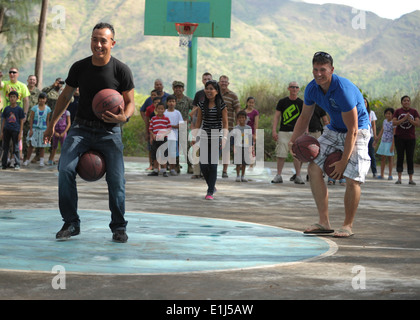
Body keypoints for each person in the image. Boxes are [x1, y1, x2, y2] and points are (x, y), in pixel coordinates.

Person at [43, 22, 135, 243]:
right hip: (81, 129)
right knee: (65, 169)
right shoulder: (79, 67)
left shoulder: (121, 70)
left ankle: (119, 227)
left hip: (109, 131)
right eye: (95, 39)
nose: (98, 44)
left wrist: (124, 117)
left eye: (103, 40)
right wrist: (51, 124)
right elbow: (65, 96)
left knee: (116, 180)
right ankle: (71, 223)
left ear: (112, 43)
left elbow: (130, 102)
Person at [289, 51, 371, 238]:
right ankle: (323, 222)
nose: (318, 74)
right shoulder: (311, 89)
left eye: (323, 70)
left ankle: (347, 225)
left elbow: (353, 130)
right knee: (314, 169)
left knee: (352, 178)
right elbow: (304, 117)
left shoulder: (342, 89)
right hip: (334, 130)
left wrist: (343, 161)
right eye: (315, 69)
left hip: (359, 131)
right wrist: (294, 141)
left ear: (332, 70)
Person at [194, 80, 228, 199]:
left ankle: (209, 192)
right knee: (203, 166)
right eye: (207, 88)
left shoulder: (222, 105)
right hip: (204, 136)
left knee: (213, 165)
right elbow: (198, 122)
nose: (209, 91)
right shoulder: (201, 105)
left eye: (211, 89)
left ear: (216, 91)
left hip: (216, 137)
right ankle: (212, 186)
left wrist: (224, 138)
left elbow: (225, 123)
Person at [271, 81, 305, 184]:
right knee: (281, 153)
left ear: (298, 89)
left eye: (296, 87)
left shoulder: (301, 103)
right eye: (292, 87)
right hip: (284, 131)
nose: (294, 89)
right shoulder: (282, 102)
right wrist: (274, 130)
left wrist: (305, 131)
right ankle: (278, 175)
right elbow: (277, 116)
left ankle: (298, 176)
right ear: (288, 89)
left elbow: (305, 118)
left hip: (297, 132)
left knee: (297, 154)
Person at [392, 95, 420, 185]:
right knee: (400, 157)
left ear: (410, 102)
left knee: (410, 157)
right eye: (404, 100)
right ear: (401, 102)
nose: (406, 102)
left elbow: (417, 123)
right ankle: (399, 178)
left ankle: (410, 179)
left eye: (408, 100)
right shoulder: (397, 111)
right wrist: (404, 119)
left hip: (411, 138)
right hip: (399, 138)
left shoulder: (414, 111)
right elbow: (394, 122)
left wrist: (410, 120)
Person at [190, 72, 213, 179]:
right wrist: (193, 126)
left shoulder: (215, 94)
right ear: (202, 81)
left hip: (210, 125)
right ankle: (196, 172)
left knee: (207, 150)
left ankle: (205, 172)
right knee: (196, 148)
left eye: (209, 79)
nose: (207, 80)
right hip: (198, 123)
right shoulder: (199, 94)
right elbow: (193, 111)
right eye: (205, 79)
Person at [219, 75, 240, 178]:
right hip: (215, 126)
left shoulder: (233, 95)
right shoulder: (215, 94)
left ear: (228, 83)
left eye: (225, 82)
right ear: (219, 82)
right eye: (222, 81)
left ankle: (224, 170)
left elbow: (238, 111)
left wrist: (239, 124)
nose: (223, 83)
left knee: (226, 149)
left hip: (229, 127)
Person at [24, 92, 52, 167]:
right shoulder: (34, 108)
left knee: (42, 146)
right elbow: (31, 119)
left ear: (46, 100)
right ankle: (27, 160)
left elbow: (47, 120)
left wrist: (48, 130)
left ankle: (42, 161)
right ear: (38, 99)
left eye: (43, 98)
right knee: (31, 145)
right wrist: (31, 129)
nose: (42, 100)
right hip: (35, 129)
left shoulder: (48, 109)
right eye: (40, 98)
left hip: (43, 129)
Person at [1, 91, 25, 170]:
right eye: (11, 97)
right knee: (5, 147)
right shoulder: (6, 109)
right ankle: (4, 164)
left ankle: (17, 163)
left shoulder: (19, 109)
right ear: (9, 98)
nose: (12, 98)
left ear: (17, 98)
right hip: (7, 130)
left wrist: (20, 133)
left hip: (16, 130)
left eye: (14, 97)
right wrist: (1, 131)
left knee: (16, 147)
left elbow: (21, 121)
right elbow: (4, 120)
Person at [148, 102, 171, 177]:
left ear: (164, 110)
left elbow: (169, 129)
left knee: (163, 155)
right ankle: (155, 170)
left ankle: (164, 171)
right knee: (155, 155)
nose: (160, 110)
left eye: (162, 109)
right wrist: (153, 135)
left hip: (163, 140)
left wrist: (163, 134)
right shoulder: (153, 119)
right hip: (155, 140)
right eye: (159, 109)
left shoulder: (166, 119)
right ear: (156, 109)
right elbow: (150, 129)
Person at [22, 75, 41, 163]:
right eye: (30, 79)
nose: (32, 81)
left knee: (36, 138)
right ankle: (25, 156)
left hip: (35, 120)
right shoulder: (23, 89)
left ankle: (37, 156)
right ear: (27, 80)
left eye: (33, 80)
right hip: (24, 119)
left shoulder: (38, 92)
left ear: (36, 81)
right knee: (25, 138)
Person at [164, 95, 184, 175]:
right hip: (165, 136)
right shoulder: (164, 112)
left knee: (172, 154)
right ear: (167, 102)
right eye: (170, 101)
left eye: (173, 101)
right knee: (164, 153)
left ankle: (172, 169)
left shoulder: (177, 113)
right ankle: (164, 168)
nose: (171, 103)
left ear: (175, 103)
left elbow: (181, 124)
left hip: (173, 136)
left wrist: (171, 126)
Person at [374, 107, 395, 180]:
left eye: (389, 113)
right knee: (382, 158)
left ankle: (390, 175)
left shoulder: (394, 122)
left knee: (390, 158)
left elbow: (394, 134)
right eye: (386, 113)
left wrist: (393, 145)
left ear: (392, 114)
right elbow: (382, 131)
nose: (387, 115)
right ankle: (382, 174)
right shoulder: (384, 121)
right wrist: (377, 140)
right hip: (383, 141)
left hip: (390, 142)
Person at [233, 110, 253, 182]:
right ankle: (238, 175)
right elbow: (233, 139)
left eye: (243, 117)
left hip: (246, 147)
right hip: (238, 147)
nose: (241, 119)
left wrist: (250, 148)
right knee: (238, 162)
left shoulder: (248, 128)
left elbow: (250, 139)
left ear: (245, 118)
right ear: (238, 119)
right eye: (240, 118)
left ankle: (243, 176)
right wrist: (234, 148)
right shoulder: (235, 128)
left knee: (244, 162)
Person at [145, 93, 161, 170]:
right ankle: (151, 165)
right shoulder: (150, 111)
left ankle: (159, 166)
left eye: (158, 102)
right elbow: (148, 123)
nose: (157, 104)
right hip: (152, 134)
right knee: (151, 149)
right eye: (155, 102)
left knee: (160, 150)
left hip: (161, 134)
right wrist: (148, 134)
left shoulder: (163, 112)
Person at [365, 97, 377, 177]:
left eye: (365, 102)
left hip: (370, 136)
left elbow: (373, 125)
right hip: (361, 136)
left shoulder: (371, 113)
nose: (364, 103)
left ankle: (374, 171)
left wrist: (375, 135)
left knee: (371, 154)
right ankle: (362, 171)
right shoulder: (357, 111)